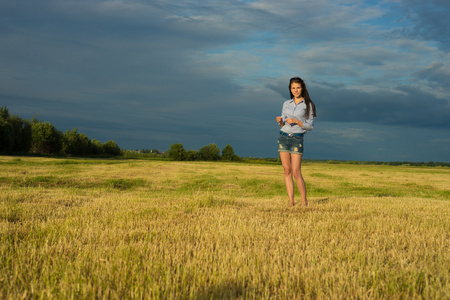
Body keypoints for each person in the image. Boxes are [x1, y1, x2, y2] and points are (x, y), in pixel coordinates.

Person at [276, 77, 316, 207]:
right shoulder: (286, 103)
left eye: (298, 87)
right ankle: (291, 202)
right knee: (287, 171)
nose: (295, 90)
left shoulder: (308, 105)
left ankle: (304, 202)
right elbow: (283, 123)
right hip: (283, 136)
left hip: (297, 138)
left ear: (302, 88)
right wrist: (280, 121)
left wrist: (297, 121)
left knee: (296, 172)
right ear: (290, 89)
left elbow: (310, 126)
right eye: (293, 88)